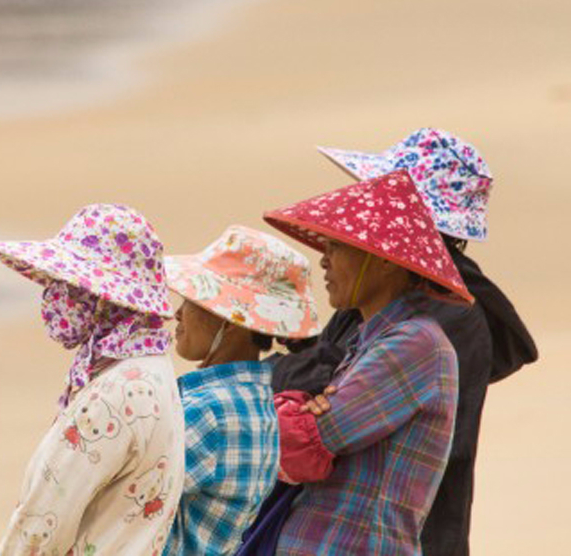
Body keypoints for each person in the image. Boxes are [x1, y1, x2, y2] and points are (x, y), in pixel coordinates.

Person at [269, 128, 537, 556]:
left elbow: (311, 430)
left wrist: (291, 402)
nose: (327, 257)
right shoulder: (388, 305)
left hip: (401, 535)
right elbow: (314, 389)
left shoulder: (435, 322)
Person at [258, 169, 474, 555]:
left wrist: (294, 409)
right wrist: (300, 407)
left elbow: (302, 441)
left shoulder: (416, 344)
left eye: (337, 247)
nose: (324, 261)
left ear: (386, 260)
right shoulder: (369, 341)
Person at [0, 204, 185, 556]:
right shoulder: (153, 368)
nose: (53, 296)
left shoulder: (116, 393)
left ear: (103, 298)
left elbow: (40, 528)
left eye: (67, 285)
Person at [161, 225, 322, 555]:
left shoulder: (210, 410)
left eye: (191, 300)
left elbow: (128, 499)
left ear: (230, 320)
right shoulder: (256, 401)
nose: (177, 313)